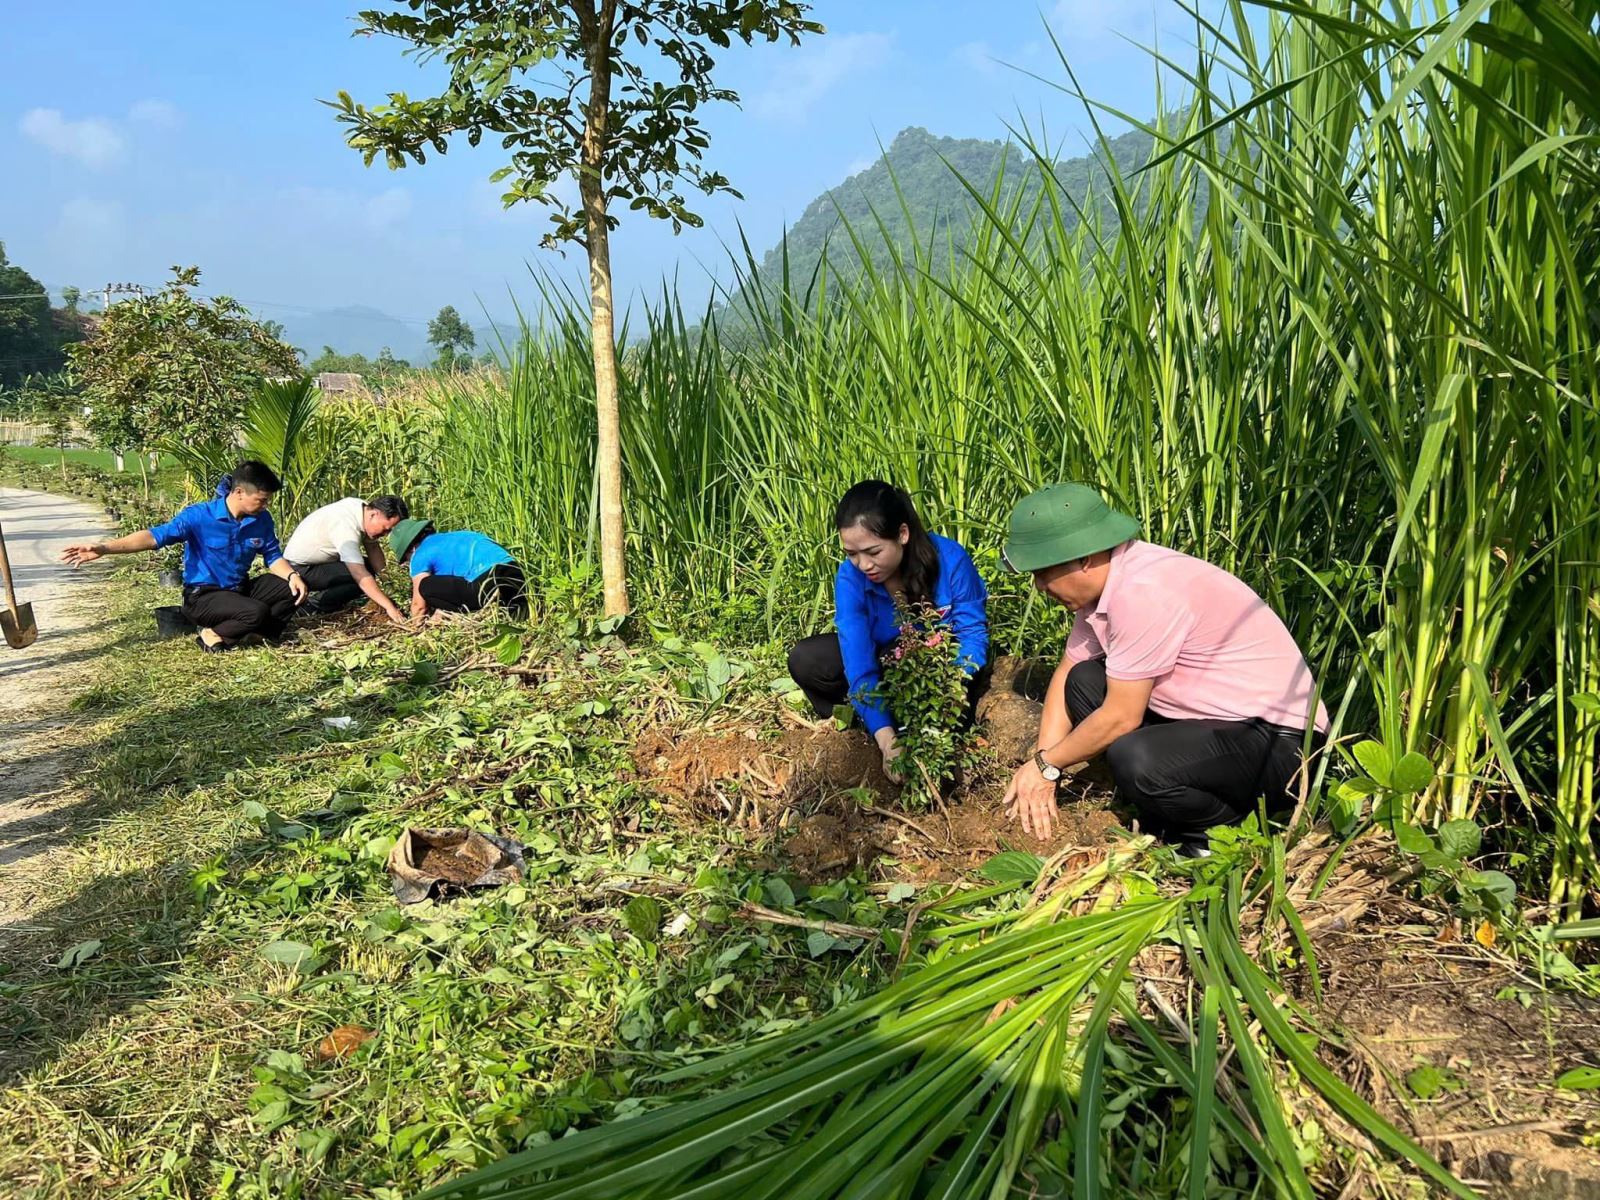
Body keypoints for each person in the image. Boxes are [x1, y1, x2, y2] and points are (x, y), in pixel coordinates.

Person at [999, 482, 1328, 854]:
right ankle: (1169, 798)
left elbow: (1122, 718)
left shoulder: (1142, 592)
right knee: (1084, 681)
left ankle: (1218, 833)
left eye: (1044, 573)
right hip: (1217, 725)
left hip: (1282, 747)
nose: (1039, 586)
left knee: (1136, 758)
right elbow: (1065, 673)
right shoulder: (1104, 588)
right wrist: (1045, 768)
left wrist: (1047, 765)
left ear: (1085, 559)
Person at [787, 480, 990, 781]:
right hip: (884, 664)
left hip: (941, 675)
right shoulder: (850, 577)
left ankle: (928, 728)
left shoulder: (950, 560)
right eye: (852, 554)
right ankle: (873, 727)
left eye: (873, 551)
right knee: (807, 659)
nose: (864, 565)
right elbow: (858, 663)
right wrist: (886, 740)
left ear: (903, 534)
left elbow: (972, 635)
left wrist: (950, 691)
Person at [61, 460, 309, 652]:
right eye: (261, 500)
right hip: (204, 596)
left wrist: (292, 575)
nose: (265, 506)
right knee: (255, 612)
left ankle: (260, 634)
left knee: (291, 588)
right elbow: (154, 537)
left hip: (238, 589)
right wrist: (104, 548)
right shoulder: (200, 516)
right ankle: (213, 635)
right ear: (239, 492)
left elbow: (272, 555)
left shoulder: (261, 520)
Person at [283, 494, 410, 623]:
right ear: (374, 514)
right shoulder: (345, 525)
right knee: (363, 576)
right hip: (297, 569)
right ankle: (311, 606)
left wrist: (390, 585)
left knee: (368, 568)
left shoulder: (363, 510)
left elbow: (373, 549)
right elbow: (359, 574)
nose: (385, 535)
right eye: (385, 530)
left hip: (320, 562)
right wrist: (389, 607)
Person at [389, 518, 526, 618]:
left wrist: (415, 626)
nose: (408, 562)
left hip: (487, 582)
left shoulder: (419, 553)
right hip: (516, 573)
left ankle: (457, 615)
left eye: (406, 559)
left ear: (410, 549)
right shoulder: (458, 536)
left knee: (425, 586)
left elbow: (419, 607)